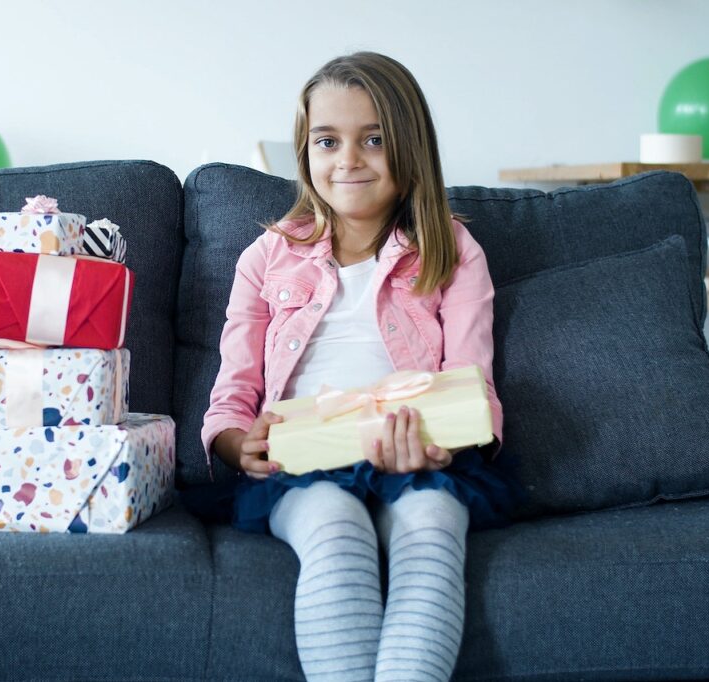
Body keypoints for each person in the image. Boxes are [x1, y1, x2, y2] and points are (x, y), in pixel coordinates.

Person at [200, 51, 522, 682]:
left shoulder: (453, 250)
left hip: (418, 455)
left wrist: (442, 446)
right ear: (305, 151)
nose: (348, 159)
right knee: (333, 525)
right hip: (302, 463)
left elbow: (470, 377)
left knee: (431, 526)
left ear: (410, 148)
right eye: (328, 140)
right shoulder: (268, 257)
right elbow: (233, 387)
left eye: (373, 140)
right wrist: (239, 443)